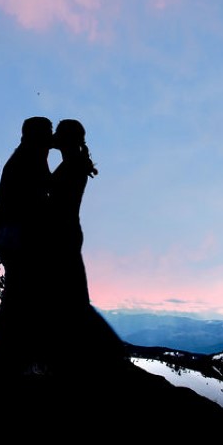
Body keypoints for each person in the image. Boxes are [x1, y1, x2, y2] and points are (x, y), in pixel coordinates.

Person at [42, 119, 127, 370]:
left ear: (67, 139)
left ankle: (102, 352)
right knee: (72, 293)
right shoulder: (73, 163)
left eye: (59, 133)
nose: (54, 136)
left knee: (70, 296)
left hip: (62, 234)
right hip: (67, 232)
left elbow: (51, 195)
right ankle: (96, 352)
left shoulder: (72, 166)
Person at [0, 116, 53, 366]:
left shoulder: (28, 154)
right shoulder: (29, 159)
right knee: (21, 293)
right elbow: (39, 194)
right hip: (19, 236)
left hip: (12, 235)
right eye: (48, 132)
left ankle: (8, 352)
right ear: (38, 135)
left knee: (20, 292)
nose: (51, 136)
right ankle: (9, 355)